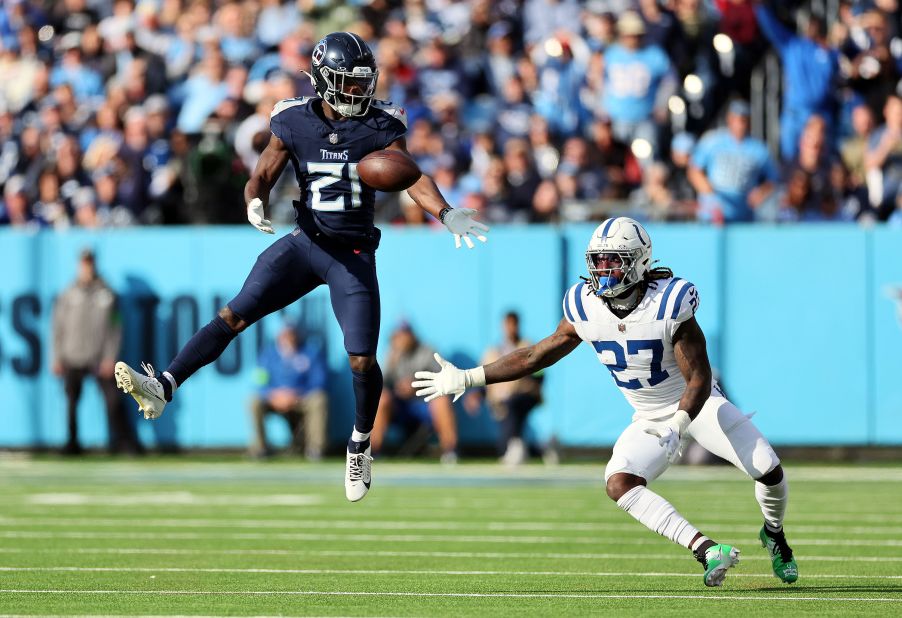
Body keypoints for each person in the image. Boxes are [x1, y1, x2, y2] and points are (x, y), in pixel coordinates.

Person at [114, 32, 489, 502]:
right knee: (235, 314)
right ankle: (165, 384)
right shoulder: (292, 118)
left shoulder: (382, 123)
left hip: (351, 255)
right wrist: (255, 199)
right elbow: (265, 170)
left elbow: (410, 174)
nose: (360, 93)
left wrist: (445, 211)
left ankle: (359, 443)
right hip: (305, 242)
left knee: (362, 358)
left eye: (364, 83)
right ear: (326, 81)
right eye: (350, 84)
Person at [412, 217, 798, 588]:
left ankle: (774, 535)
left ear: (640, 261)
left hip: (697, 406)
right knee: (619, 482)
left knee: (768, 468)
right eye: (598, 260)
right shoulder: (585, 304)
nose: (604, 269)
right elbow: (535, 355)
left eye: (614, 259)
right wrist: (468, 377)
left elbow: (698, 377)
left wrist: (679, 425)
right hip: (648, 415)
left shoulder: (670, 301)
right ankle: (706, 549)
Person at [53, 249, 141, 455]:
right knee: (71, 402)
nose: (87, 267)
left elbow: (116, 327)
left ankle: (122, 442)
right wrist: (57, 356)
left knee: (113, 401)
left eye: (90, 263)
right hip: (73, 355)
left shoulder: (107, 293)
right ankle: (72, 443)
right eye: (84, 263)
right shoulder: (68, 293)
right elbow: (57, 327)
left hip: (100, 357)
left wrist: (111, 356)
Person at [371, 321, 459, 464]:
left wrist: (416, 386)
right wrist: (392, 364)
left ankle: (450, 451)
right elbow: (379, 384)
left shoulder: (427, 351)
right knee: (382, 399)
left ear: (412, 334)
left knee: (442, 400)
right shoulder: (392, 353)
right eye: (398, 335)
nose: (401, 339)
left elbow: (444, 381)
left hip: (425, 404)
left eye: (404, 335)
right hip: (401, 407)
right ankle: (374, 451)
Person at [465, 311, 543, 466]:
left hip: (524, 396)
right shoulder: (493, 352)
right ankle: (541, 449)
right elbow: (486, 379)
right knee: (505, 443)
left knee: (513, 410)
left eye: (513, 324)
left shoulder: (528, 346)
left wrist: (528, 381)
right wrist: (477, 395)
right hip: (500, 401)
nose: (510, 328)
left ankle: (515, 446)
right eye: (508, 324)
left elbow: (540, 375)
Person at [689, 99, 778, 223]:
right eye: (735, 119)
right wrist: (709, 194)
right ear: (729, 119)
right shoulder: (712, 141)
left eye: (743, 120)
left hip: (743, 216)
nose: (739, 124)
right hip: (712, 216)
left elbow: (773, 179)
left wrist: (760, 193)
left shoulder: (759, 149)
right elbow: (694, 171)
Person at [249, 324, 328, 460]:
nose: (288, 338)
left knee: (319, 399)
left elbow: (319, 381)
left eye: (291, 334)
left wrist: (296, 394)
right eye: (284, 334)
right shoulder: (268, 355)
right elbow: (259, 382)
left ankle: (316, 449)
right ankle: (260, 448)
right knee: (254, 401)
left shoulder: (310, 353)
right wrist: (272, 394)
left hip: (300, 398)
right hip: (275, 398)